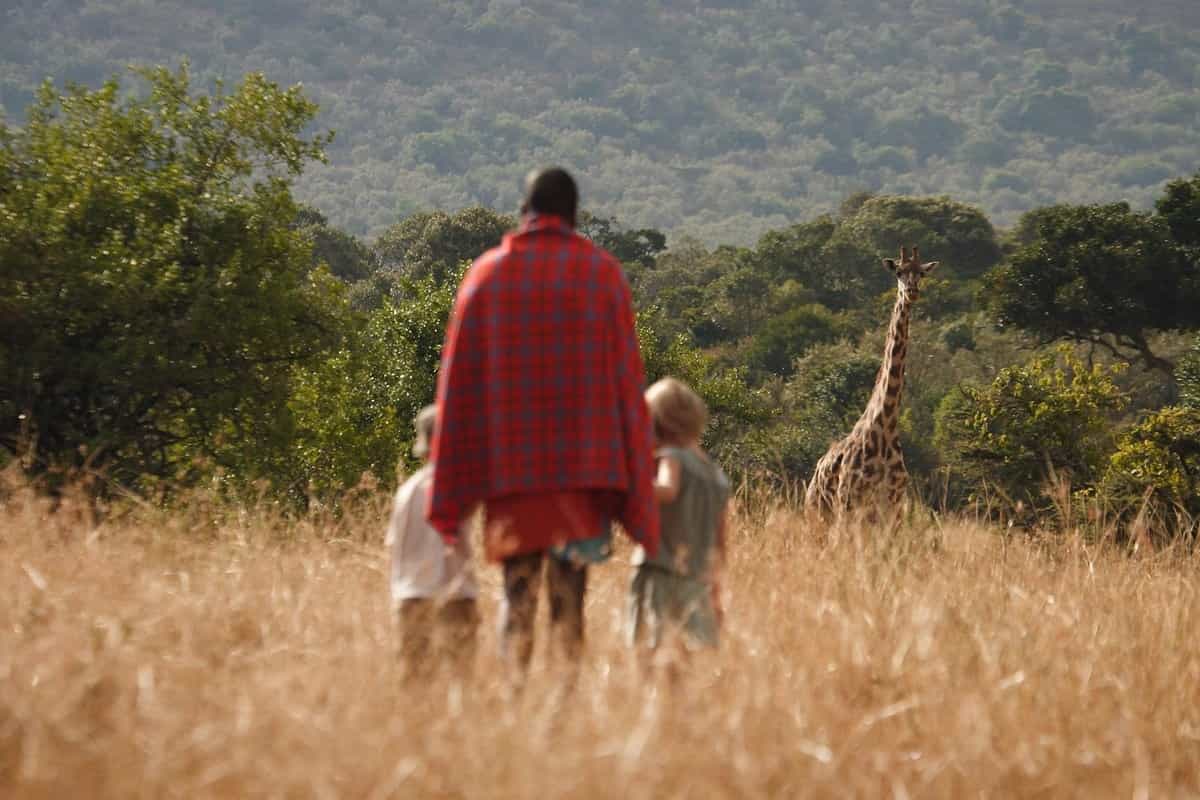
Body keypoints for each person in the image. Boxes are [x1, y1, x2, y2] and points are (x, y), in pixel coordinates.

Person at [428, 166, 659, 684]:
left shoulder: (486, 275)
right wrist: (634, 475)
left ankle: (516, 699)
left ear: (524, 211)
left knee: (518, 593)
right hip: (582, 478)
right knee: (569, 600)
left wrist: (456, 485)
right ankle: (563, 707)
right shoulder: (602, 275)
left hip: (513, 479)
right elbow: (627, 384)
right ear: (574, 216)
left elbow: (457, 387)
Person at [628, 378, 731, 657]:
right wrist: (716, 593)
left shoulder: (671, 455)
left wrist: (629, 484)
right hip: (698, 582)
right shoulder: (717, 478)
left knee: (650, 657)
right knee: (688, 660)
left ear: (659, 424)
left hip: (660, 574)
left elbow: (667, 490)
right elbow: (720, 545)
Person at [386, 404, 479, 682]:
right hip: (455, 593)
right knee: (460, 679)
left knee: (415, 680)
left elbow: (392, 545)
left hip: (410, 595)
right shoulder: (462, 489)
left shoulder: (406, 491)